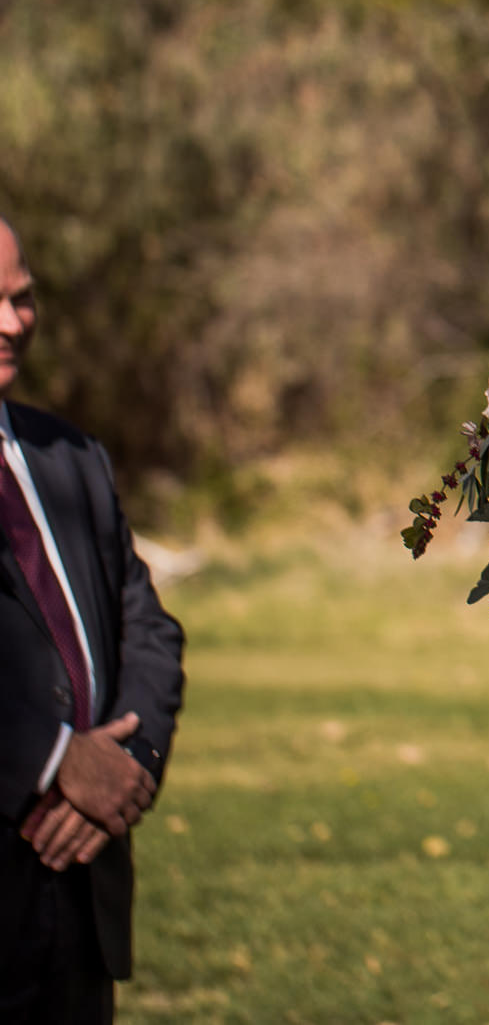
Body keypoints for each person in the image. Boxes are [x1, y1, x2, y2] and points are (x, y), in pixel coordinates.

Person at [0, 217, 185, 1023]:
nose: (13, 323)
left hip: (81, 894)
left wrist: (128, 764)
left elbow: (146, 627)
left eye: (22, 297)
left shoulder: (71, 457)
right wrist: (49, 758)